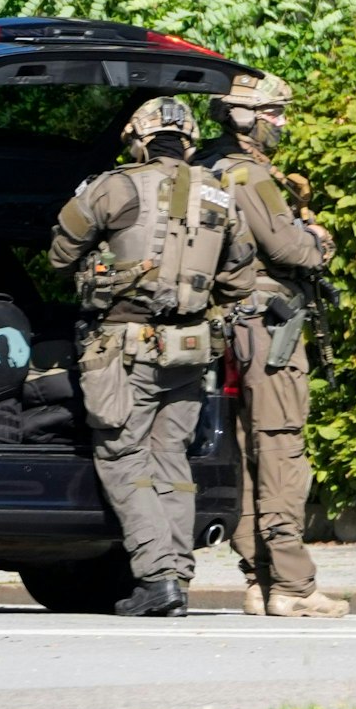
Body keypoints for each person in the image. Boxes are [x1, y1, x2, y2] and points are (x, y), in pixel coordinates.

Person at [50, 96, 254, 617]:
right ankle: (178, 578)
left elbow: (59, 253)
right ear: (188, 140)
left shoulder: (115, 186)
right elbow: (239, 277)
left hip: (125, 348)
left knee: (124, 458)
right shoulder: (219, 195)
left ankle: (157, 576)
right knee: (172, 461)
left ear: (139, 138)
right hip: (190, 350)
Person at [201, 72, 348, 618]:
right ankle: (293, 586)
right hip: (267, 327)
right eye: (276, 114)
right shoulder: (253, 176)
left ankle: (257, 580)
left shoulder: (203, 169)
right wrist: (319, 238)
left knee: (242, 450)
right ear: (250, 119)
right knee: (282, 447)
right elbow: (292, 249)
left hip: (222, 328)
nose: (283, 123)